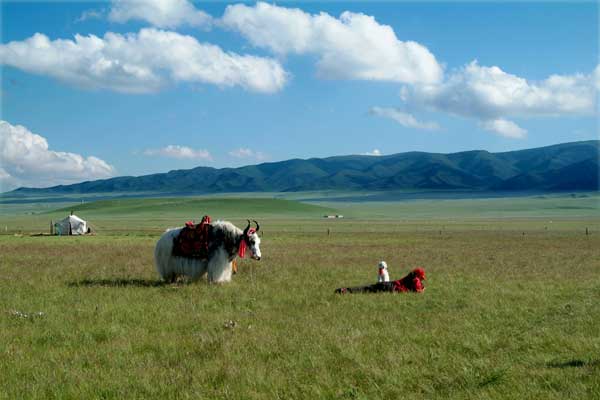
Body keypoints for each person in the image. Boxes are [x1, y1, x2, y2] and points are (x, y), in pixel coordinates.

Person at [335, 268, 426, 294]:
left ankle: (345, 290)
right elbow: (418, 292)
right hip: (391, 288)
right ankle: (346, 291)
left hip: (389, 284)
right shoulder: (416, 280)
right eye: (422, 277)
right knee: (367, 290)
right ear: (418, 275)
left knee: (367, 289)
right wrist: (423, 289)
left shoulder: (410, 277)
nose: (422, 279)